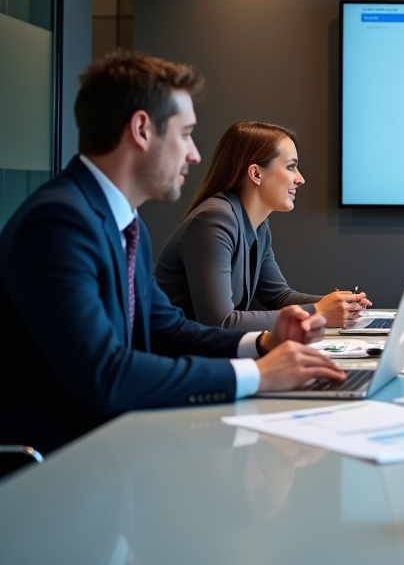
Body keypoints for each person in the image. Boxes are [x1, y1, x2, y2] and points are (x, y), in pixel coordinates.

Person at [0, 52, 345, 455]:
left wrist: (265, 343)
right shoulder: (58, 222)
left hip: (114, 443)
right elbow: (106, 375)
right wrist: (255, 374)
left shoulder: (126, 225)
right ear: (142, 130)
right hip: (60, 463)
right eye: (185, 134)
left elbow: (169, 329)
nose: (195, 154)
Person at [155, 121, 369, 331]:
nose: (301, 179)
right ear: (256, 174)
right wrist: (318, 312)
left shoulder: (258, 226)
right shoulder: (214, 220)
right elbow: (220, 322)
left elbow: (278, 297)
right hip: (174, 359)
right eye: (291, 167)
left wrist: (338, 305)